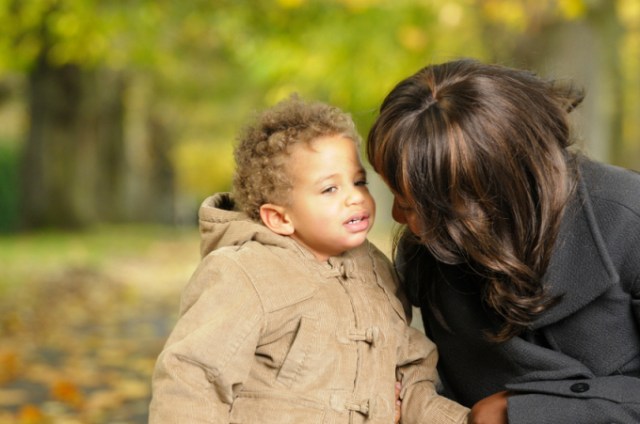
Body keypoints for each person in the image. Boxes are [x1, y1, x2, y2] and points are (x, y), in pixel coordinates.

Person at [149, 95, 469, 423]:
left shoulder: (376, 271)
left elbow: (410, 369)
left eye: (359, 181)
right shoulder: (245, 274)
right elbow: (193, 377)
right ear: (279, 218)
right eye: (330, 189)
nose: (355, 197)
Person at [366, 58, 640, 424]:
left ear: (490, 194)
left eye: (413, 205)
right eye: (397, 198)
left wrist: (521, 411)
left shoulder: (628, 217)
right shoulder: (429, 253)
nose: (398, 219)